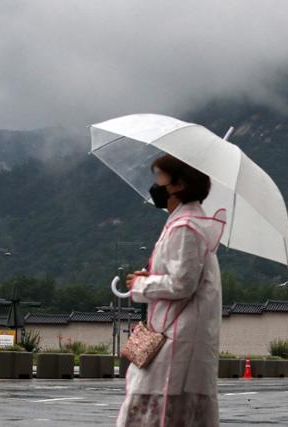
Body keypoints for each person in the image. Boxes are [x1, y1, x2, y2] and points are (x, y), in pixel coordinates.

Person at [116, 154, 226, 427]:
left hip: (175, 337)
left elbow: (181, 283)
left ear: (178, 185)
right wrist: (150, 278)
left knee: (158, 410)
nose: (155, 185)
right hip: (178, 333)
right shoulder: (188, 224)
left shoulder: (186, 227)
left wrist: (141, 284)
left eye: (160, 178)